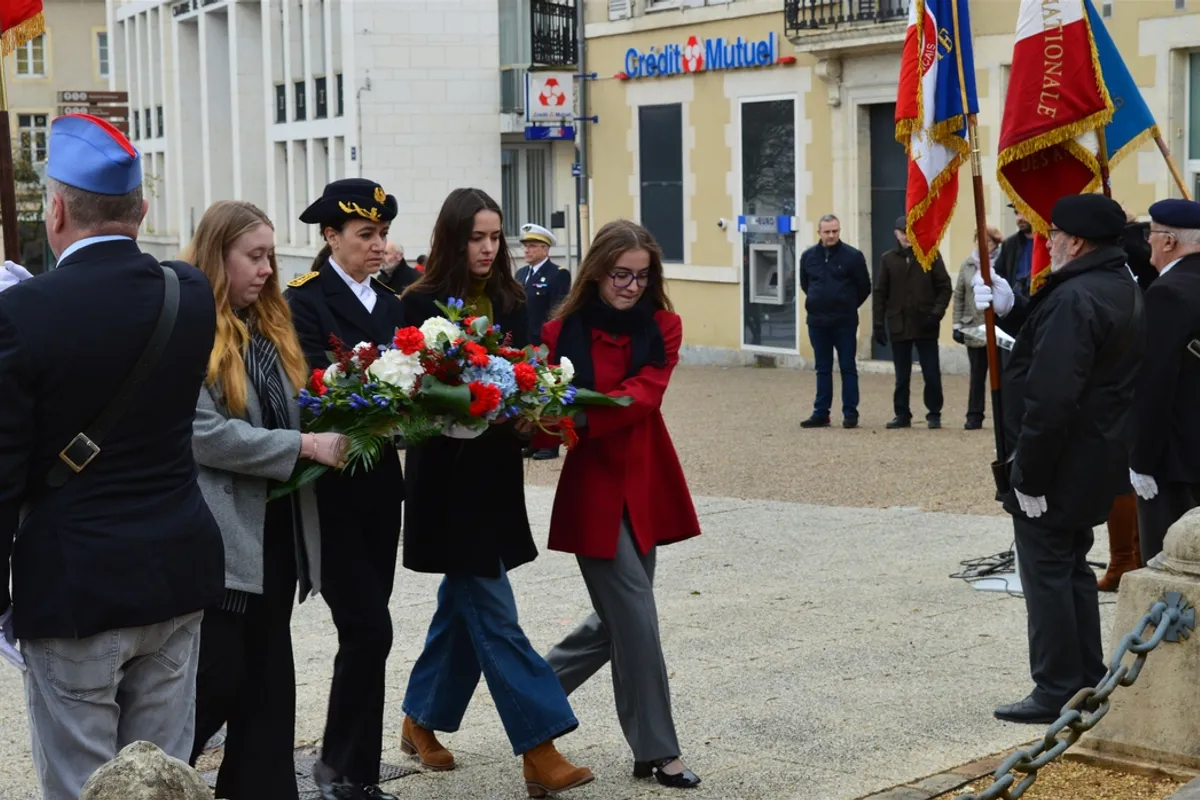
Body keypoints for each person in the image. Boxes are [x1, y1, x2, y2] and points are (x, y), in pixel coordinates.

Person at [0, 113, 225, 800]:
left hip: (76, 582)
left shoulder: (23, 313)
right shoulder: (189, 293)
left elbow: (4, 473)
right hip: (175, 569)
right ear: (142, 210)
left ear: (56, 210)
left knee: (82, 785)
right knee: (164, 780)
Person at [397, 188, 593, 798]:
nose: (487, 248)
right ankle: (540, 746)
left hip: (495, 475)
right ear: (452, 239)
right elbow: (409, 395)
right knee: (494, 610)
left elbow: (523, 374)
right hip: (445, 480)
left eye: (493, 237)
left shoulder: (512, 298)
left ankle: (419, 717)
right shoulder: (417, 301)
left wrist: (532, 412)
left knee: (466, 606)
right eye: (475, 237)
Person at [185, 201, 345, 798]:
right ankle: (147, 782)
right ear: (216, 255)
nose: (267, 269)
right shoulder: (191, 328)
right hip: (223, 539)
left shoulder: (270, 326)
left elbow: (292, 410)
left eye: (270, 256)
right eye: (254, 256)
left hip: (276, 535)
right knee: (215, 683)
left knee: (270, 692)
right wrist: (303, 444)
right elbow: (203, 434)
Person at [539, 220, 702, 789]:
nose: (632, 286)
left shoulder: (664, 327)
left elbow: (644, 396)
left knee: (620, 623)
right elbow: (545, 412)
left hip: (648, 482)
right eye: (621, 275)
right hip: (594, 489)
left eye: (642, 276)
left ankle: (528, 693)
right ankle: (659, 751)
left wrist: (577, 416)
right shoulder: (558, 334)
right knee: (635, 618)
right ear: (597, 273)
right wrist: (548, 422)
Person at [974, 193, 1144, 724]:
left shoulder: (1076, 295)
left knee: (1047, 573)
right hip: (1091, 456)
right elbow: (1058, 346)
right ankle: (1084, 676)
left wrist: (1029, 473)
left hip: (1059, 461)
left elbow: (1052, 396)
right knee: (1070, 569)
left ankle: (1055, 687)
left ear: (1076, 242)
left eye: (1054, 235)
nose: (1047, 243)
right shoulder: (1117, 283)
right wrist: (1013, 309)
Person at [286, 178, 407, 800]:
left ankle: (355, 773)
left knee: (368, 632)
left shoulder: (392, 301)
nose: (378, 244)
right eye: (365, 234)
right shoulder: (304, 299)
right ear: (331, 236)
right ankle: (339, 770)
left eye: (382, 233)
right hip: (329, 487)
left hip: (380, 485)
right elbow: (312, 385)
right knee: (369, 628)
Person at [1129, 198, 1200, 566]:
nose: (1148, 243)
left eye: (1151, 235)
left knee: (1168, 568)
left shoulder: (1167, 292)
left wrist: (1142, 459)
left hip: (1176, 458)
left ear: (1169, 242)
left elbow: (1154, 382)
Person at [873, 216, 952, 430]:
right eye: (903, 232)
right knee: (902, 375)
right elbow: (880, 293)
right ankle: (902, 414)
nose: (908, 237)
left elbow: (945, 287)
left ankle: (934, 413)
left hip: (925, 322)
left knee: (931, 373)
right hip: (899, 322)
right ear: (896, 234)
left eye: (911, 232)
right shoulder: (888, 259)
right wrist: (878, 323)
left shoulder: (930, 255)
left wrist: (936, 314)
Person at [798, 214, 871, 429]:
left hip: (844, 322)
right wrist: (817, 302)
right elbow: (805, 284)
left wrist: (847, 305)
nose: (831, 235)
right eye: (827, 232)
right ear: (819, 232)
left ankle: (850, 413)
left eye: (835, 231)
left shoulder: (853, 256)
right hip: (817, 322)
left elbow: (864, 287)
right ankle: (821, 413)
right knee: (823, 368)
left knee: (848, 367)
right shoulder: (808, 257)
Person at [516, 222, 571, 460]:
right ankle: (532, 440)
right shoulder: (521, 274)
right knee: (528, 392)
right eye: (526, 246)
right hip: (526, 343)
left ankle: (550, 443)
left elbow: (558, 311)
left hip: (545, 343)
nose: (526, 250)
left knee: (548, 391)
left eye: (532, 246)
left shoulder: (557, 274)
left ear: (545, 249)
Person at [952, 226, 1003, 430]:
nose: (984, 245)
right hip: (973, 325)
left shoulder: (1002, 262)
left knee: (1002, 375)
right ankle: (974, 415)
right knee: (977, 375)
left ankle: (1003, 415)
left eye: (989, 242)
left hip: (998, 327)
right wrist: (956, 324)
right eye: (980, 241)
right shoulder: (968, 264)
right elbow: (959, 295)